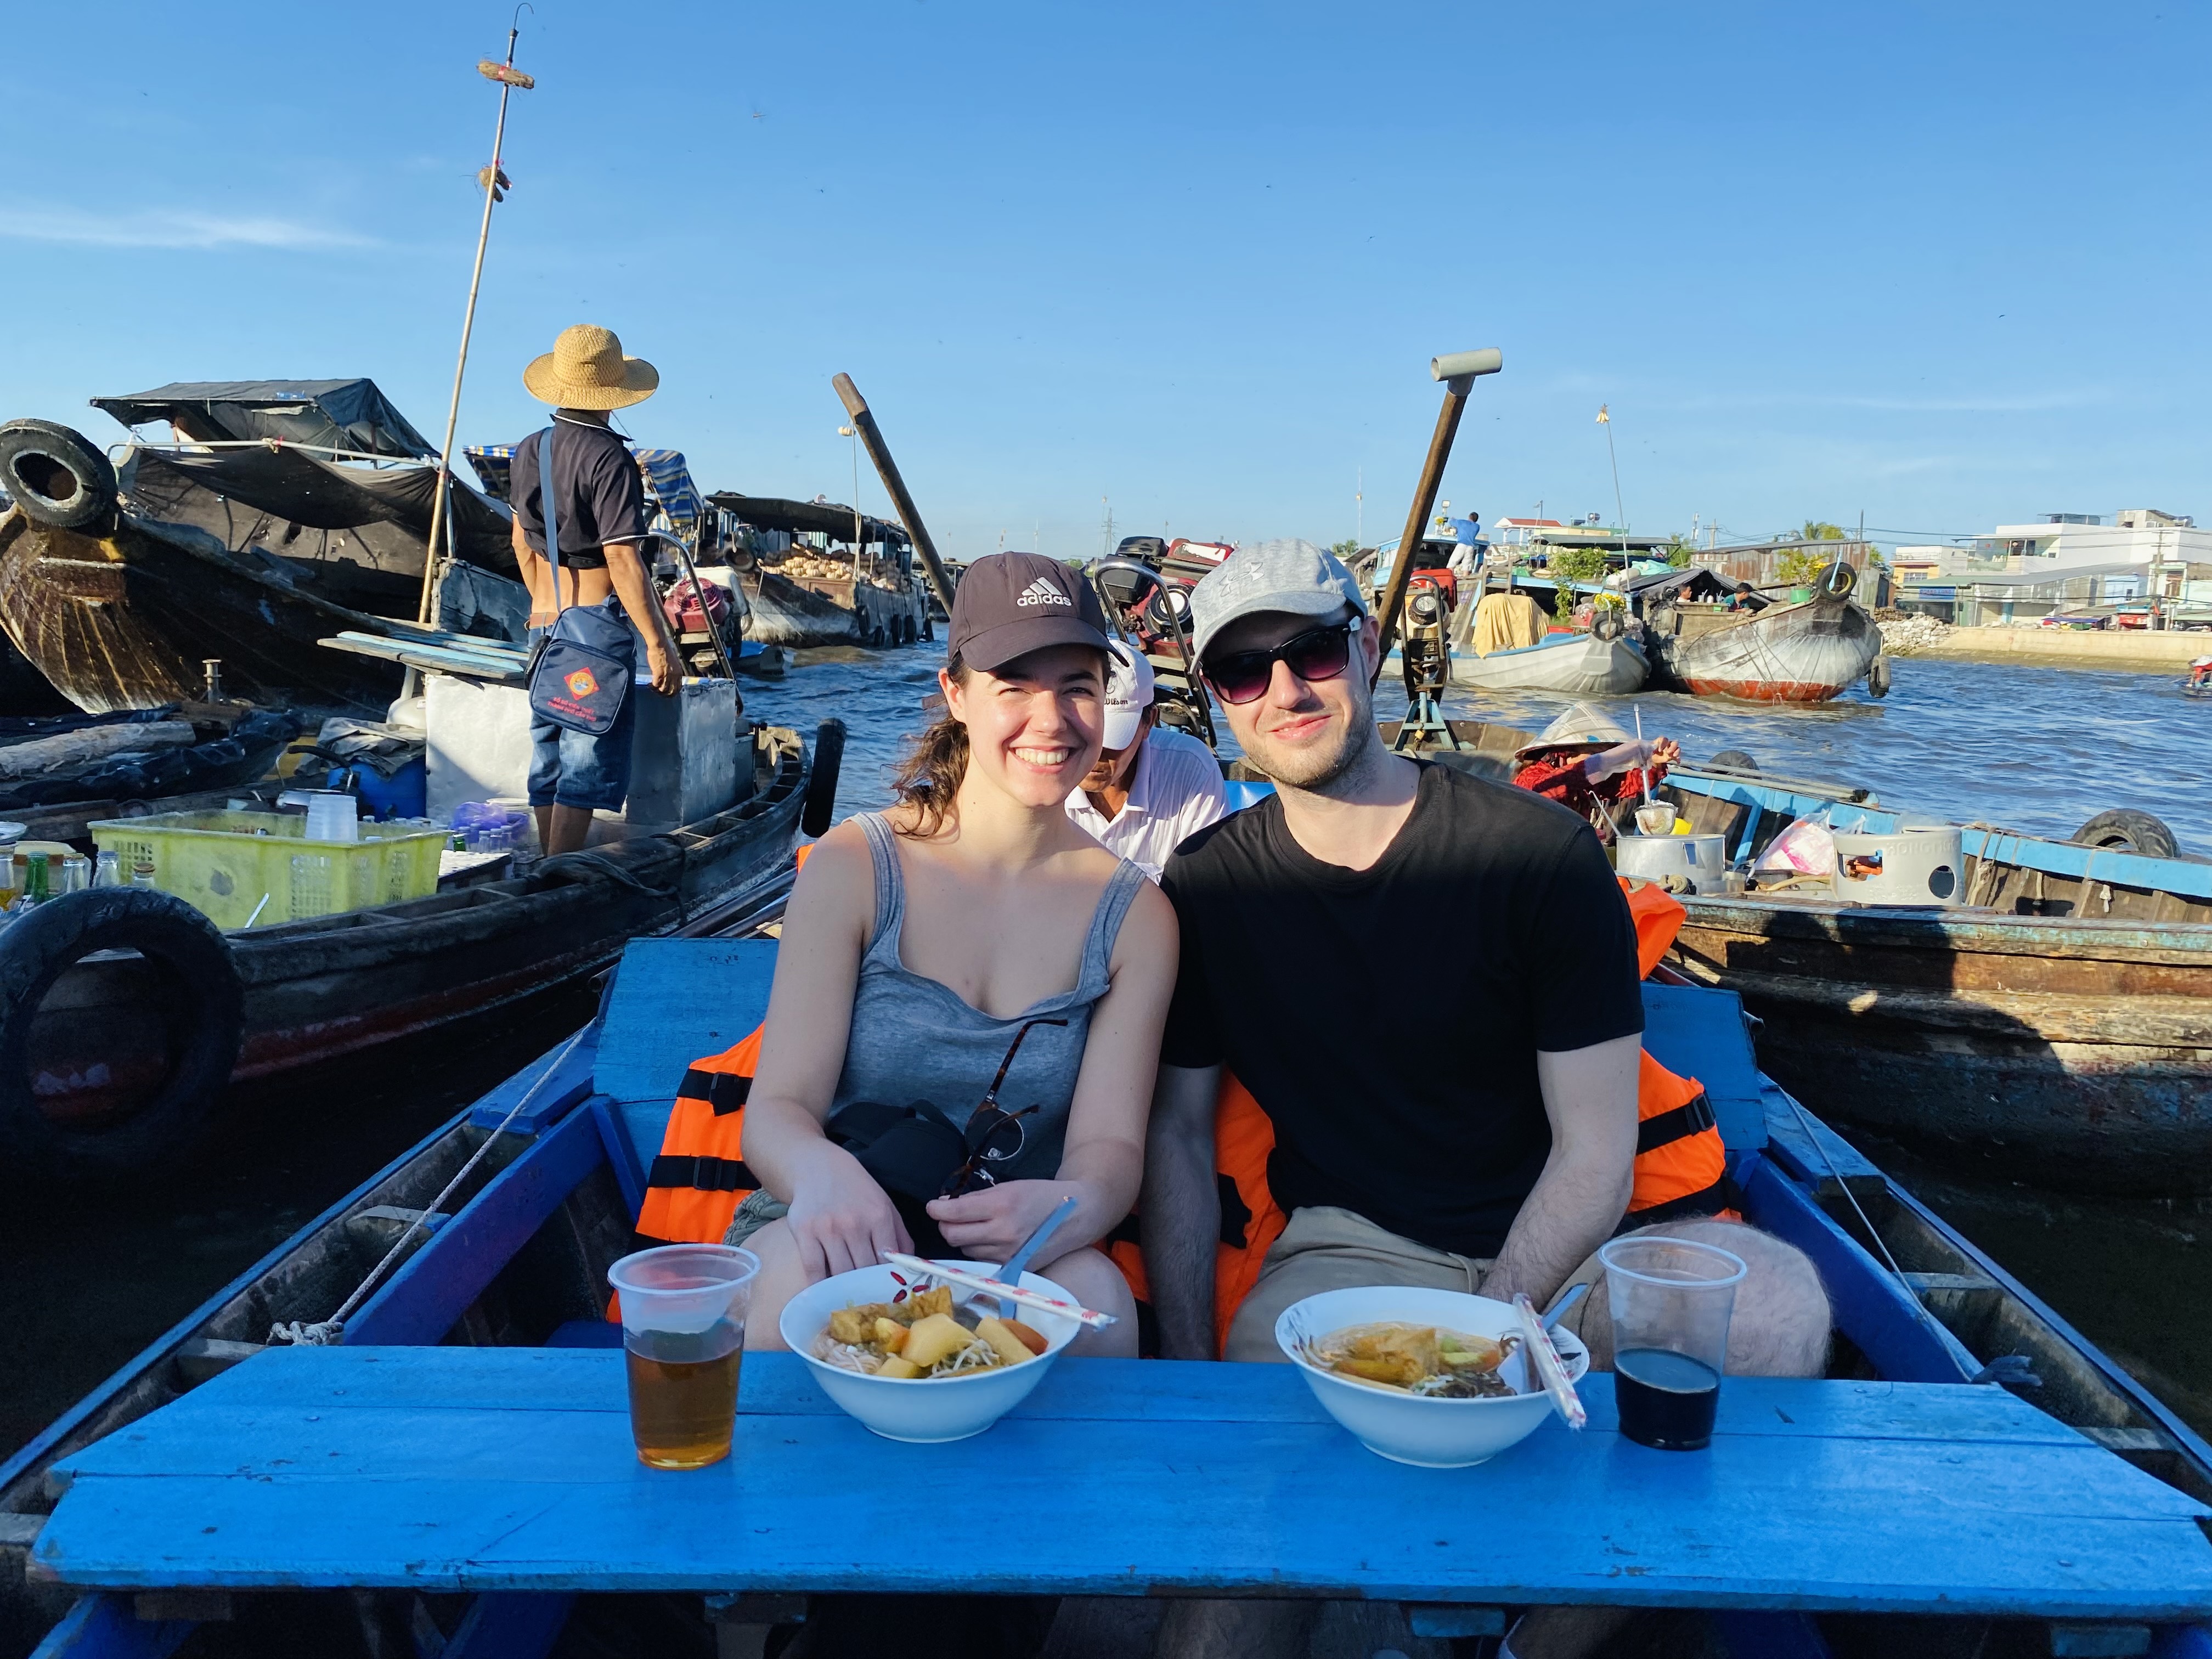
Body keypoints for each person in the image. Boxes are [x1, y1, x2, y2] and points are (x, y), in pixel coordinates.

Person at [1142, 540, 1829, 1659]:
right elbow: (1175, 1135)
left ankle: (1533, 1646)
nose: (1284, 689)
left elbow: (1597, 1150)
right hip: (1344, 1253)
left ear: (1364, 649)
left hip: (1565, 1256)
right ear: (1218, 705)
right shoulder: (1210, 886)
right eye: (1243, 672)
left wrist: (1491, 1335)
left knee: (1783, 1304)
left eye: (1309, 649)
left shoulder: (1537, 857)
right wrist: (1182, 1383)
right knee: (1243, 1556)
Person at [735, 552, 1178, 1359]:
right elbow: (778, 1112)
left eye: (1077, 686)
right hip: (839, 1219)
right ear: (956, 695)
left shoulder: (1137, 916)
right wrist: (823, 1176)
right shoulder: (855, 866)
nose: (1052, 720)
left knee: (1095, 1306)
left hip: (1011, 1247)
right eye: (1014, 686)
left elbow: (1109, 1152)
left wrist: (1065, 1210)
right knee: (788, 1297)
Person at [508, 324, 681, 855]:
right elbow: (624, 560)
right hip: (595, 628)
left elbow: (519, 541)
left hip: (542, 623)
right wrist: (659, 643)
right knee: (584, 758)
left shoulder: (528, 450)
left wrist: (543, 604)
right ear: (613, 395)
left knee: (548, 754)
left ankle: (545, 863)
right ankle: (560, 874)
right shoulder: (611, 460)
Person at [1063, 640, 1228, 879]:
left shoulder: (1192, 769)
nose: (1096, 753)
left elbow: (1207, 883)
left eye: (1113, 740)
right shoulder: (1037, 771)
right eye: (1082, 734)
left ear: (1149, 722)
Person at [1511, 704, 1679, 838]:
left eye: (1603, 753)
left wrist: (1654, 761)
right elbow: (1568, 779)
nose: (1601, 759)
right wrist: (1609, 761)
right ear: (1567, 753)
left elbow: (1628, 783)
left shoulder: (1589, 784)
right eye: (1594, 754)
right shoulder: (1533, 777)